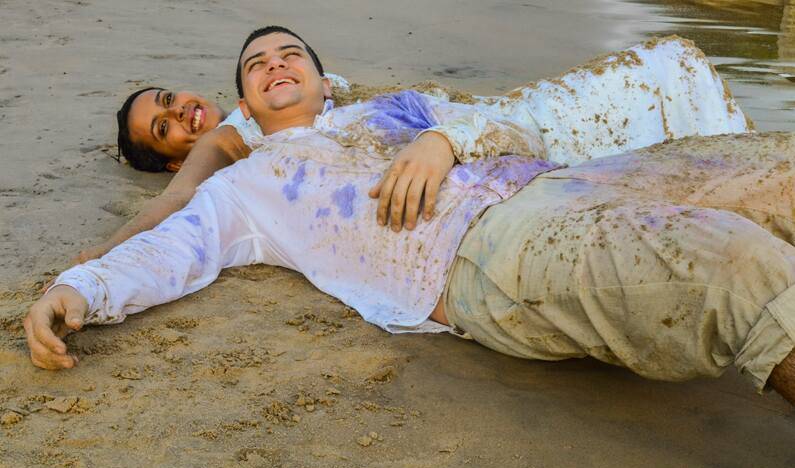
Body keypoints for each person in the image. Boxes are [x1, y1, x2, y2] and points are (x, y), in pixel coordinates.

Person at [24, 27, 794, 406]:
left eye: (288, 55)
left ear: (325, 82)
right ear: (248, 104)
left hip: (570, 179)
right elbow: (172, 242)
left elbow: (512, 120)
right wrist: (80, 288)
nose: (274, 67)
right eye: (256, 68)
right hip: (488, 247)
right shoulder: (251, 184)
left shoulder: (397, 107)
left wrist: (440, 138)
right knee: (731, 264)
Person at [73, 30, 750, 264]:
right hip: (446, 165)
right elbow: (182, 196)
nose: (181, 113)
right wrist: (104, 252)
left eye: (168, 100)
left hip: (452, 127)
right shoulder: (230, 136)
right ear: (169, 154)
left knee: (661, 72)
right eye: (166, 129)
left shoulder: (274, 86)